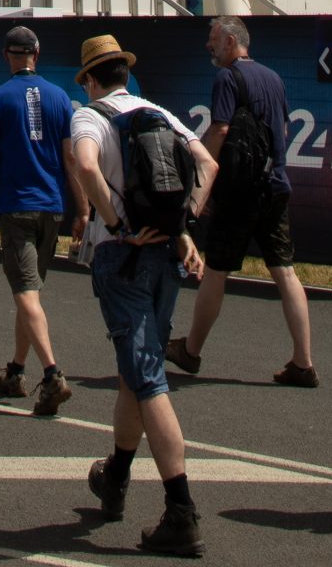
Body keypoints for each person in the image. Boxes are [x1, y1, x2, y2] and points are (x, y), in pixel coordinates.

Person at [69, 32, 216, 560]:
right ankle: (117, 479)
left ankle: (181, 509)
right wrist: (184, 225)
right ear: (125, 73)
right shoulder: (157, 112)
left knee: (147, 377)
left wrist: (118, 221)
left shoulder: (90, 118)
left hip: (123, 255)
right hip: (165, 257)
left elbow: (87, 167)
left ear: (89, 79)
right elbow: (207, 165)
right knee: (137, 367)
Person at [168, 20, 316, 387]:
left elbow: (219, 130)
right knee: (285, 270)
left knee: (217, 269)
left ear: (232, 41)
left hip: (240, 192)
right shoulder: (274, 78)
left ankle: (191, 350)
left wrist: (199, 173)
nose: (208, 46)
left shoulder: (228, 79)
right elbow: (281, 131)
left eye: (213, 40)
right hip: (276, 185)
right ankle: (303, 360)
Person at [0, 25, 76, 413]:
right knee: (31, 294)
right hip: (52, 207)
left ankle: (53, 372)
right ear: (36, 54)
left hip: (17, 206)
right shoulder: (60, 98)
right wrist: (85, 208)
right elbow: (71, 159)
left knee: (25, 293)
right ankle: (16, 371)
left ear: (7, 56)